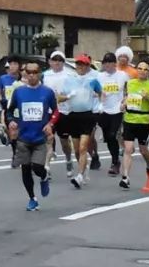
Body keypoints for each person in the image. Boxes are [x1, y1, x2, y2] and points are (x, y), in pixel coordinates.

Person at [6, 62, 57, 212]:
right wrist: (12, 122)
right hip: (23, 137)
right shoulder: (19, 92)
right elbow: (9, 112)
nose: (32, 75)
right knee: (25, 168)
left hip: (39, 138)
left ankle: (43, 176)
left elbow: (56, 111)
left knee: (37, 167)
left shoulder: (47, 92)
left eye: (35, 72)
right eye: (29, 72)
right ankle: (32, 198)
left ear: (40, 73)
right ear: (25, 74)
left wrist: (50, 124)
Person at [63, 55, 102, 190]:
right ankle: (83, 168)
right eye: (79, 64)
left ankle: (79, 176)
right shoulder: (69, 80)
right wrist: (68, 96)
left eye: (84, 64)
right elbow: (59, 97)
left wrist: (100, 104)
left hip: (87, 116)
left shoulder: (92, 80)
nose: (81, 67)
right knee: (76, 149)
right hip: (73, 116)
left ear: (87, 66)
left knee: (83, 147)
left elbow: (100, 92)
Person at [120, 62, 149, 189]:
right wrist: (123, 104)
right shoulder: (130, 83)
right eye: (140, 69)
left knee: (143, 150)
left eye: (145, 69)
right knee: (128, 149)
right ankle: (125, 177)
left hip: (143, 120)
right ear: (136, 70)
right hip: (129, 119)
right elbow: (127, 96)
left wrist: (148, 98)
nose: (142, 71)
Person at [42, 52, 74, 176]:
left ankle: (68, 159)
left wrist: (64, 97)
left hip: (64, 111)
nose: (57, 62)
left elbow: (73, 92)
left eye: (60, 60)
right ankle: (47, 167)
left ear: (63, 62)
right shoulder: (45, 75)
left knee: (64, 141)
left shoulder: (69, 75)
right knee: (48, 139)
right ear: (50, 62)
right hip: (49, 112)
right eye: (54, 60)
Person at [95, 52, 127, 176]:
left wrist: (125, 100)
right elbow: (95, 92)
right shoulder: (99, 76)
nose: (108, 65)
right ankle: (115, 159)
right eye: (105, 62)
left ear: (115, 63)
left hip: (117, 109)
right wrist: (98, 96)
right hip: (104, 110)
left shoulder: (122, 75)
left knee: (113, 135)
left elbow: (129, 89)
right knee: (108, 138)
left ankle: (114, 162)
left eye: (110, 62)